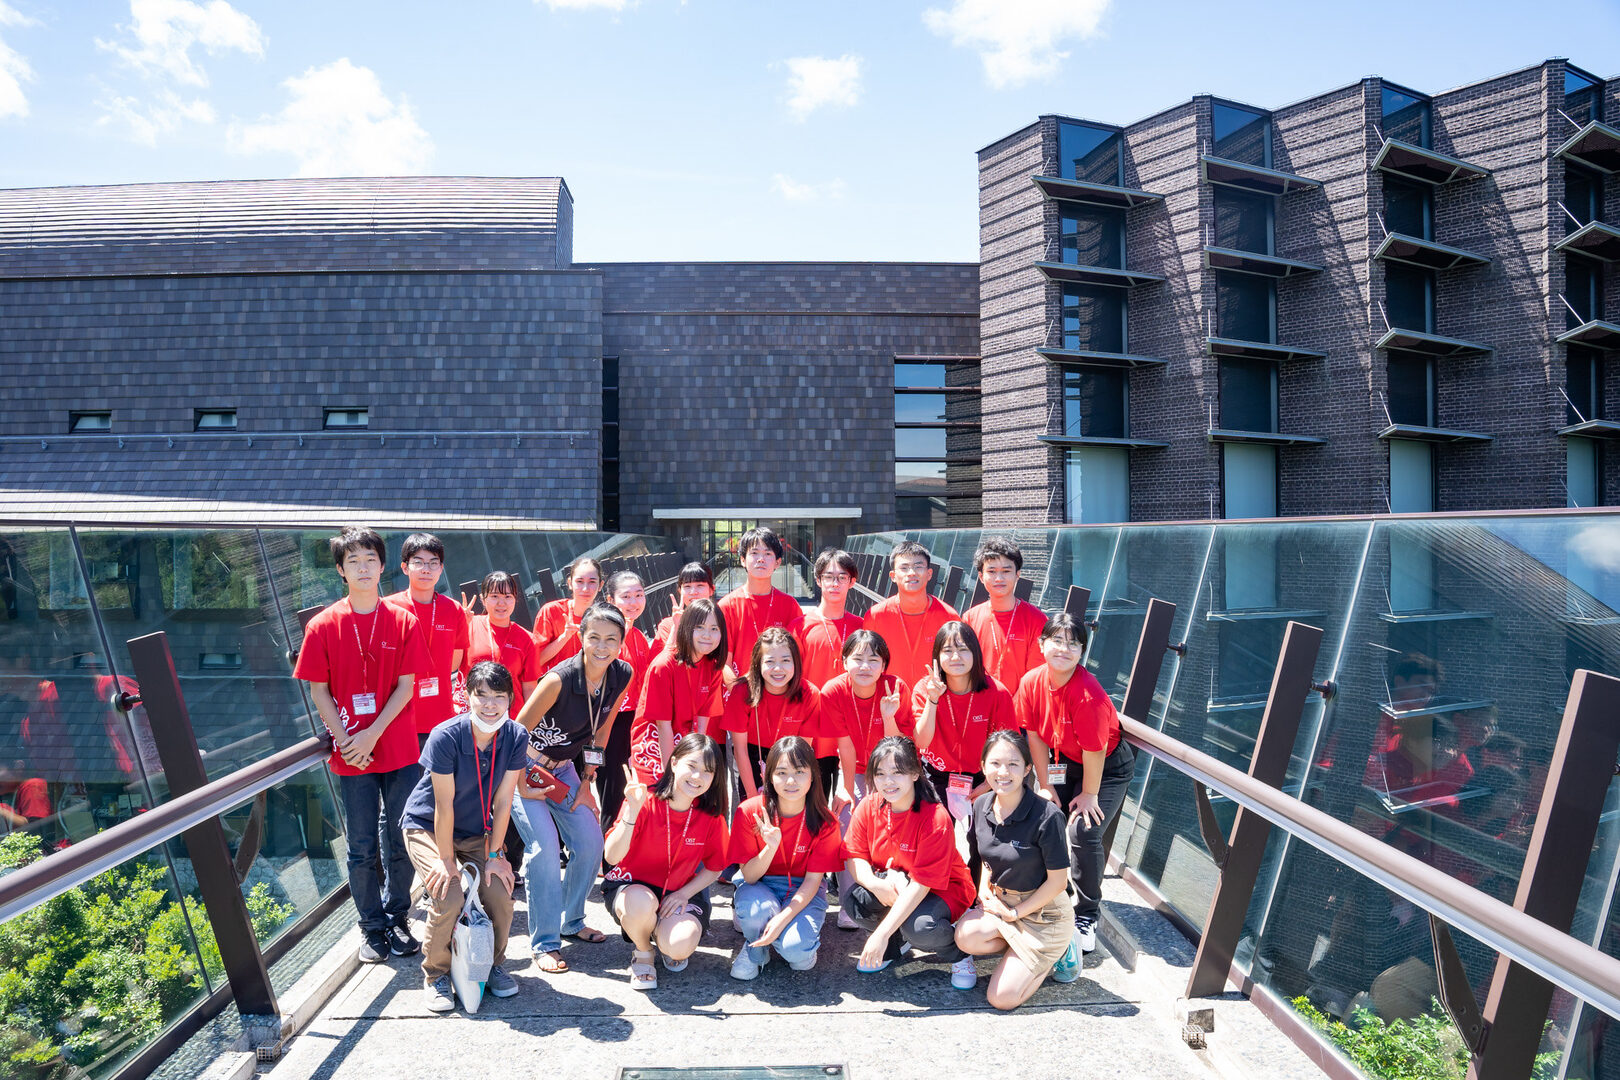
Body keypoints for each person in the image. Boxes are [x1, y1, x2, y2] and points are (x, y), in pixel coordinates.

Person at [294, 526, 430, 963]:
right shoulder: (323, 625)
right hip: (350, 749)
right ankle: (370, 927)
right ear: (340, 570)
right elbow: (319, 691)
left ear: (383, 565)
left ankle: (397, 918)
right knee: (361, 845)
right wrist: (346, 739)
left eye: (370, 559)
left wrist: (371, 734)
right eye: (353, 561)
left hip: (398, 746)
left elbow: (407, 686)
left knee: (401, 838)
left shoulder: (403, 620)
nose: (363, 567)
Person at [398, 661, 527, 1011]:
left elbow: (503, 802)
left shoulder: (516, 735)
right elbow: (442, 804)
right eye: (481, 695)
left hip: (475, 830)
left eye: (498, 697)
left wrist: (497, 855)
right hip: (427, 824)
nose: (489, 705)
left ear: (510, 700)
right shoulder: (446, 735)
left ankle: (493, 963)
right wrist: (444, 862)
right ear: (466, 696)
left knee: (500, 891)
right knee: (449, 894)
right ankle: (436, 974)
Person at [512, 603, 633, 973]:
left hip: (565, 770)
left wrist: (586, 782)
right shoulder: (558, 680)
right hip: (524, 767)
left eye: (611, 639)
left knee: (590, 841)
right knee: (544, 849)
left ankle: (572, 921)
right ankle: (544, 942)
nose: (602, 646)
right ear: (581, 638)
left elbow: (604, 730)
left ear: (621, 643)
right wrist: (520, 783)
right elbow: (514, 733)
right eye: (593, 637)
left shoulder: (622, 674)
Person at [1016, 613, 1134, 954]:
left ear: (1082, 651)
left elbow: (1095, 751)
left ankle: (1087, 914)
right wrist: (1044, 784)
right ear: (1041, 645)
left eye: (1073, 643)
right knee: (1038, 813)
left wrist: (1089, 794)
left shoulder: (1088, 695)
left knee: (1083, 830)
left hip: (1105, 767)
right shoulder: (1032, 681)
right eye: (1057, 640)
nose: (1064, 649)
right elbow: (1035, 734)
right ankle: (1049, 895)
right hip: (1062, 760)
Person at [955, 730, 1081, 1004]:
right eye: (995, 763)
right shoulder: (981, 806)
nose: (1003, 772)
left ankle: (1058, 950)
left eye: (1013, 764)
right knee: (965, 937)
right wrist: (983, 892)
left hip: (1045, 913)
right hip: (1004, 906)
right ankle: (1019, 954)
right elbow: (984, 858)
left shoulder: (1048, 816)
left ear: (1027, 769)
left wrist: (1015, 913)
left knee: (1002, 999)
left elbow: (1058, 883)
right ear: (983, 767)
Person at [843, 735, 977, 988]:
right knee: (855, 901)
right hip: (899, 881)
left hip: (944, 889)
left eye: (897, 772)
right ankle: (894, 946)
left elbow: (922, 884)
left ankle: (959, 954)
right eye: (880, 773)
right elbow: (855, 856)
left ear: (915, 773)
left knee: (921, 928)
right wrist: (874, 883)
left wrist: (879, 934)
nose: (887, 781)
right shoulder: (869, 805)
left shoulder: (935, 817)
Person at [602, 733, 730, 990]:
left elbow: (715, 867)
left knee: (680, 946)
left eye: (707, 771)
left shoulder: (711, 815)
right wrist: (632, 813)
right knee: (639, 905)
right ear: (673, 763)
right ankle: (643, 950)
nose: (697, 777)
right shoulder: (644, 800)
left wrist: (684, 894)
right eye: (691, 766)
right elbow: (611, 857)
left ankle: (661, 935)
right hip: (633, 888)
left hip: (681, 893)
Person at [727, 735, 844, 979]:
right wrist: (769, 848)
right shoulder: (750, 812)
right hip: (759, 885)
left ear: (813, 776)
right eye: (781, 772)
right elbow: (748, 876)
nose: (790, 780)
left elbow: (813, 881)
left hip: (803, 890)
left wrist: (782, 920)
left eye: (800, 771)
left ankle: (781, 939)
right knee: (753, 910)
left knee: (798, 957)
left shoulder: (826, 821)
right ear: (768, 776)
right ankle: (756, 952)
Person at [819, 628, 913, 927]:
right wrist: (848, 790)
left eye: (873, 660)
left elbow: (898, 748)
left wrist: (888, 716)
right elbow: (843, 745)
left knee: (897, 825)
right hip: (857, 769)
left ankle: (897, 896)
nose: (864, 667)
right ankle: (850, 903)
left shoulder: (895, 687)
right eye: (857, 658)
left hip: (892, 768)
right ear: (844, 660)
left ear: (884, 665)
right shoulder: (833, 690)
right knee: (848, 822)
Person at [912, 621, 1017, 824]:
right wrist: (932, 699)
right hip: (936, 774)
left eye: (963, 649)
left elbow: (1009, 747)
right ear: (937, 655)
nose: (955, 657)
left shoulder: (997, 692)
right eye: (947, 650)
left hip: (983, 775)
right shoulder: (925, 688)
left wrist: (988, 783)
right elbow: (921, 742)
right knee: (937, 834)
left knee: (982, 842)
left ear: (976, 653)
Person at [792, 548, 864, 810]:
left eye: (842, 577)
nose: (835, 583)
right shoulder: (801, 625)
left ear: (852, 582)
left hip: (850, 730)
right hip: (811, 730)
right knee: (809, 805)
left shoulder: (861, 626)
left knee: (843, 807)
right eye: (829, 577)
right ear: (818, 580)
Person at [717, 627, 824, 801]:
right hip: (752, 756)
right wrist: (752, 798)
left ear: (796, 662)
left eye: (785, 660)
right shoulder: (742, 691)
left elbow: (803, 751)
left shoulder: (810, 694)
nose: (778, 668)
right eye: (770, 661)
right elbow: (740, 750)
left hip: (792, 759)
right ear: (758, 663)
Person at [384, 533, 470, 745]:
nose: (426, 569)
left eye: (433, 563)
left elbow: (455, 662)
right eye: (418, 563)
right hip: (397, 720)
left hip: (441, 719)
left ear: (441, 568)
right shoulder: (387, 608)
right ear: (405, 567)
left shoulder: (453, 610)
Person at [629, 597, 727, 783]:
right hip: (655, 743)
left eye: (714, 629)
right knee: (661, 799)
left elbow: (703, 722)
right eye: (699, 627)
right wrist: (670, 775)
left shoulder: (713, 666)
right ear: (685, 628)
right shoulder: (664, 666)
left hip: (686, 741)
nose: (707, 635)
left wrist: (698, 760)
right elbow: (662, 726)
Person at [862, 542, 958, 691]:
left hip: (935, 700)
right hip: (889, 701)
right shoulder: (876, 616)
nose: (911, 572)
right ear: (893, 576)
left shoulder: (948, 616)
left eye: (918, 566)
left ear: (929, 574)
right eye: (904, 568)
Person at [600, 570, 652, 836]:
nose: (633, 602)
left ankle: (621, 845)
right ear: (610, 599)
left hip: (635, 720)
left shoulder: (639, 635)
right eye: (626, 596)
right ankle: (608, 853)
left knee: (629, 784)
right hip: (612, 720)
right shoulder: (607, 634)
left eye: (639, 595)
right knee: (613, 785)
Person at [961, 537, 1048, 693]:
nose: (999, 578)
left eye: (1006, 571)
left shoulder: (1037, 619)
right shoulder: (969, 619)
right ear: (981, 577)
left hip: (1022, 710)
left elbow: (1037, 676)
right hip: (980, 708)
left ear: (1017, 575)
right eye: (992, 571)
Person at [718, 527, 803, 679]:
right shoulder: (727, 606)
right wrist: (737, 691)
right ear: (743, 560)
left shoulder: (789, 605)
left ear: (777, 562)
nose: (761, 559)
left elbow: (796, 656)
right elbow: (724, 662)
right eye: (754, 553)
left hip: (779, 691)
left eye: (768, 553)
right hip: (739, 692)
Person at [463, 572, 540, 712]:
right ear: (483, 598)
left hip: (511, 720)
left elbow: (529, 688)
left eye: (507, 596)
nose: (501, 603)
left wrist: (527, 726)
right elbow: (448, 664)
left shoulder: (527, 639)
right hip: (473, 716)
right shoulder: (469, 625)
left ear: (515, 599)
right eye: (494, 596)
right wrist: (458, 629)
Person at [533, 556, 603, 675]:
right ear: (570, 583)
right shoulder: (551, 611)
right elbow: (536, 661)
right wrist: (564, 637)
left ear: (600, 585)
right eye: (579, 582)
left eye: (592, 582)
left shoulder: (603, 617)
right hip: (556, 688)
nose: (585, 588)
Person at [653, 562, 714, 651]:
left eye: (700, 585)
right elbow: (661, 662)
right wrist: (676, 627)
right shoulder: (668, 626)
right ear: (680, 591)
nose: (693, 592)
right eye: (687, 586)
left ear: (711, 590)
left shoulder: (723, 622)